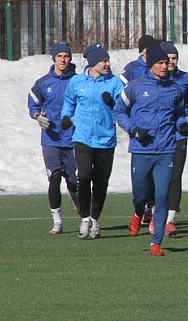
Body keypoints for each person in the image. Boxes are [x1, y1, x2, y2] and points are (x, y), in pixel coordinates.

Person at [115, 45, 187, 256]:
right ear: (150, 64)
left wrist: (182, 125)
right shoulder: (135, 86)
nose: (166, 66)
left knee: (162, 196)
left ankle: (156, 243)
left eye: (167, 62)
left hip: (166, 150)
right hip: (142, 149)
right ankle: (138, 213)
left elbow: (180, 114)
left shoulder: (175, 89)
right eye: (161, 63)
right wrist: (134, 130)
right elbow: (119, 111)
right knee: (140, 195)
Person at [61, 43, 124, 240]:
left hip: (105, 139)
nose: (107, 64)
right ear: (93, 62)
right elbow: (69, 102)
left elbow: (124, 107)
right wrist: (65, 117)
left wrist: (113, 103)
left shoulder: (115, 83)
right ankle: (85, 217)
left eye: (108, 60)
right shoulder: (77, 81)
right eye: (104, 61)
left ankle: (95, 218)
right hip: (82, 137)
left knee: (101, 181)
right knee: (84, 175)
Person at [28, 41, 79, 235]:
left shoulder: (78, 81)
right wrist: (37, 116)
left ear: (70, 58)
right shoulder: (43, 82)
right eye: (59, 56)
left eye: (66, 56)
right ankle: (57, 221)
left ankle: (78, 202)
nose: (63, 60)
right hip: (51, 139)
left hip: (74, 138)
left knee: (74, 181)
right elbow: (33, 104)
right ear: (54, 58)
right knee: (54, 177)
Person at [119, 33, 158, 227]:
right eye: (148, 49)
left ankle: (152, 208)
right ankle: (141, 207)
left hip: (157, 130)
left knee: (156, 174)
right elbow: (120, 93)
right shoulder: (132, 69)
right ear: (142, 51)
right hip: (138, 128)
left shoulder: (160, 65)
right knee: (142, 176)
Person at [159, 41, 188, 236]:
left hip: (179, 134)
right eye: (168, 59)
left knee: (176, 175)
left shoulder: (185, 78)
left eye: (174, 58)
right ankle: (153, 211)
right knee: (156, 176)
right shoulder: (152, 78)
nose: (171, 62)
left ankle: (171, 218)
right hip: (159, 134)